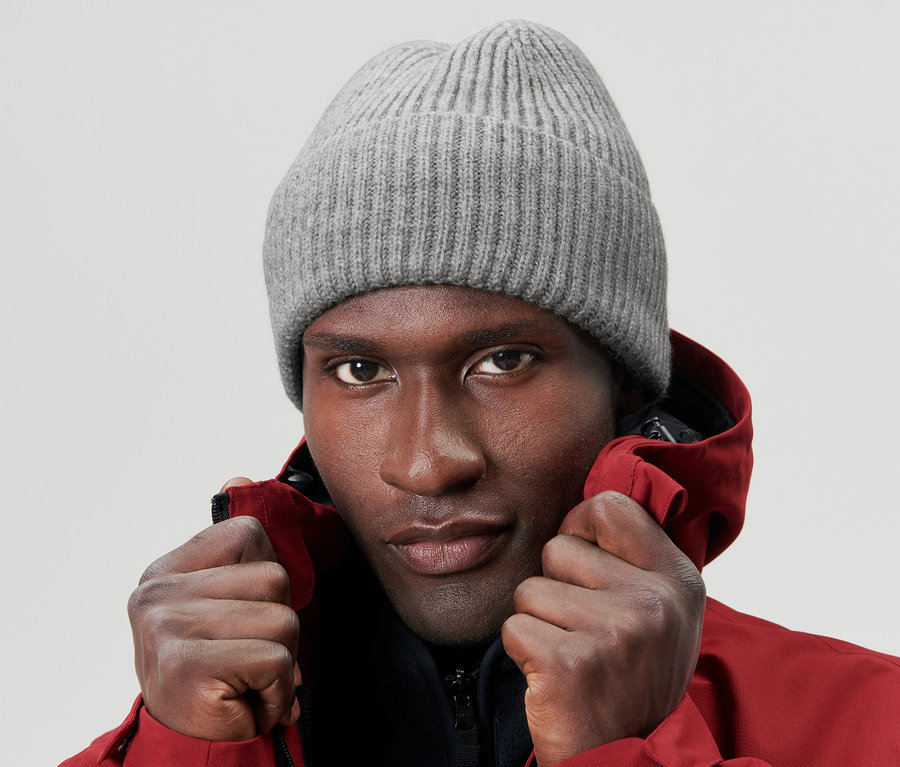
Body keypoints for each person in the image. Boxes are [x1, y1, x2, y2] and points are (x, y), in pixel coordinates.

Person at [63, 19, 899, 767]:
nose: (427, 463)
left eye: (502, 360)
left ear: (628, 383)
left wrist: (626, 756)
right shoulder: (173, 745)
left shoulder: (876, 727)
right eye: (360, 371)